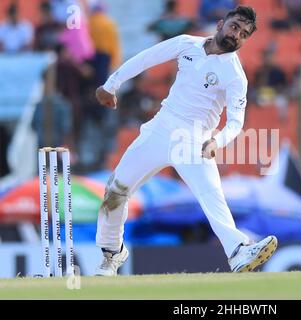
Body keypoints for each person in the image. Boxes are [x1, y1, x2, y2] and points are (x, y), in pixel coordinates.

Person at [94, 6, 278, 275]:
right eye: (235, 27)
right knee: (115, 190)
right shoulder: (187, 44)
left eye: (244, 34)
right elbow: (147, 58)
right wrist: (112, 84)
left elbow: (236, 122)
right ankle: (112, 254)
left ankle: (238, 251)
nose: (237, 35)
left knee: (210, 194)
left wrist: (218, 141)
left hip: (193, 140)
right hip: (160, 128)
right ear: (220, 24)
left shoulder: (235, 76)